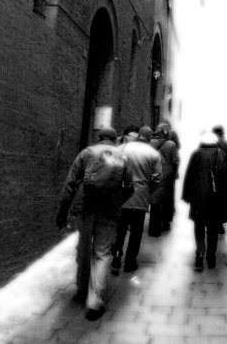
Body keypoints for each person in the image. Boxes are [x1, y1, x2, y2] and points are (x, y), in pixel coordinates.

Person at [56, 127, 133, 320]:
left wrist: (63, 212)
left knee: (83, 249)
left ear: (99, 138)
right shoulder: (122, 158)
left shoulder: (86, 153)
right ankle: (95, 301)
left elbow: (70, 184)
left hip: (86, 209)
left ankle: (81, 289)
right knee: (102, 253)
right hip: (109, 212)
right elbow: (130, 188)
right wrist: (117, 202)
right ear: (115, 140)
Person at [111, 125, 162, 272]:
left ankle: (116, 257)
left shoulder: (124, 148)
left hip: (123, 195)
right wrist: (148, 190)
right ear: (150, 137)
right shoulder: (153, 153)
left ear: (139, 135)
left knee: (120, 229)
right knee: (136, 231)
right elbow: (157, 178)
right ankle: (130, 262)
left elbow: (114, 167)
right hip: (141, 196)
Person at [182, 131, 227, 270]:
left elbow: (189, 176)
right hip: (216, 199)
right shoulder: (221, 154)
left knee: (199, 227)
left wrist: (187, 195)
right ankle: (211, 257)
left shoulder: (196, 154)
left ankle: (200, 253)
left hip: (198, 197)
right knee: (213, 229)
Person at [149, 122, 179, 235]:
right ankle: (165, 223)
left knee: (154, 199)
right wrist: (174, 173)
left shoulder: (150, 143)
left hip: (152, 172)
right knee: (166, 199)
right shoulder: (171, 144)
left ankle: (153, 228)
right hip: (166, 174)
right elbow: (175, 161)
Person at [212, 124, 227, 233]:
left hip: (212, 176)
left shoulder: (208, 145)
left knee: (212, 199)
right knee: (224, 199)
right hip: (225, 176)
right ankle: (220, 223)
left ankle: (213, 222)